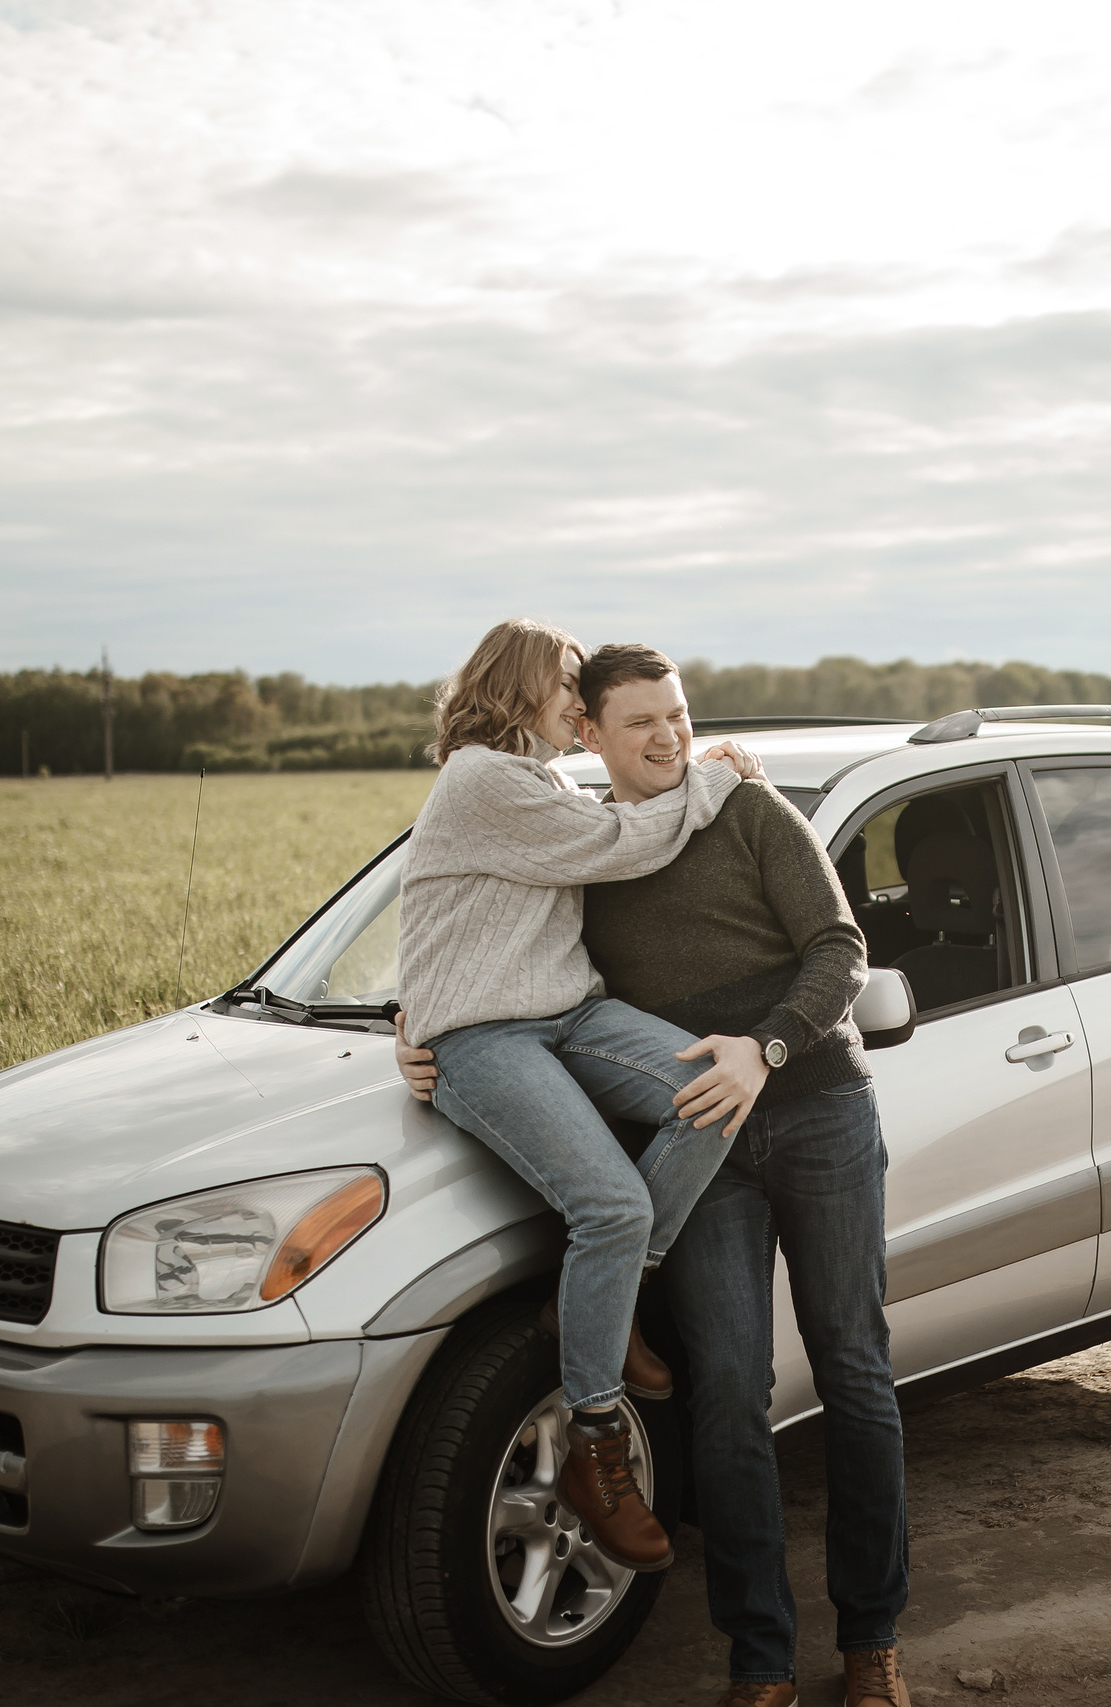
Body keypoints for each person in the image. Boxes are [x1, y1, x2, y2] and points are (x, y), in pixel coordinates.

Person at [413, 642, 912, 1707]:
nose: (667, 736)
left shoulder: (748, 811)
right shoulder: (584, 840)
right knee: (729, 1398)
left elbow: (840, 950)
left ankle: (871, 1642)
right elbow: (483, 933)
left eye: (676, 715)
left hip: (814, 1107)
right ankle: (760, 1660)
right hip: (706, 1142)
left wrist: (763, 1047)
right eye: (637, 720)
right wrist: (415, 1027)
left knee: (855, 1376)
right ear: (587, 733)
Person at [390, 617, 772, 1574]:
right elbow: (619, 841)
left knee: (716, 1082)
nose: (582, 698)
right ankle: (595, 1441)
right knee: (609, 1202)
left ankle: (606, 1294)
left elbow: (451, 907)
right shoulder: (480, 776)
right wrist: (716, 773)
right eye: (570, 682)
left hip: (570, 1015)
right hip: (485, 1038)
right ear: (522, 684)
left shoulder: (537, 780)